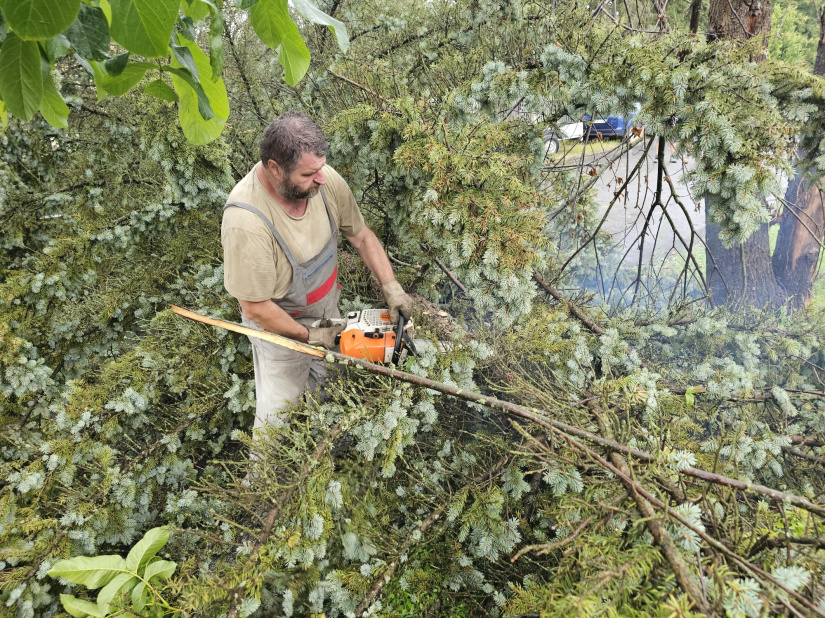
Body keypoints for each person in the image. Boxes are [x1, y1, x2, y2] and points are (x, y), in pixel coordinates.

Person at [221, 111, 413, 432]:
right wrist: (309, 336)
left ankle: (322, 445)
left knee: (329, 386)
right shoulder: (247, 221)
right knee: (278, 418)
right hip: (279, 332)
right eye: (309, 174)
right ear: (274, 169)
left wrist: (392, 287)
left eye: (321, 168)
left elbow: (362, 237)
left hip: (327, 315)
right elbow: (254, 307)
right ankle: (268, 477)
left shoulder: (324, 180)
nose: (320, 179)